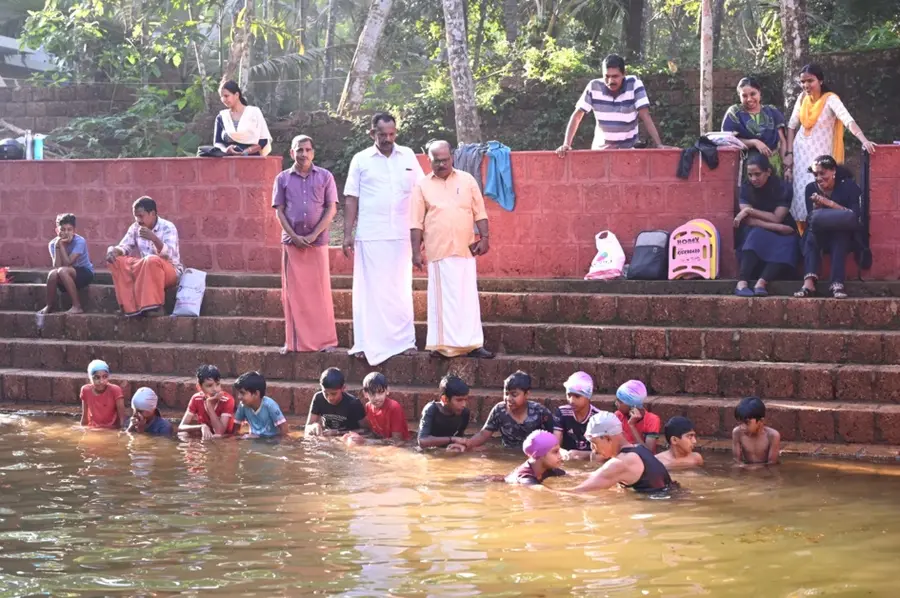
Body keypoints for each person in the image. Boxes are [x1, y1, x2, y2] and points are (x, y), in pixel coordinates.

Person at [343, 113, 424, 366]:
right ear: (372, 134)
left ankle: (404, 342)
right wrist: (348, 233)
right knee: (370, 291)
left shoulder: (409, 155)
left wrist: (422, 232)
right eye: (382, 135)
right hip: (371, 234)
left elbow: (422, 193)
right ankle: (366, 343)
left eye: (391, 134)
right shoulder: (360, 159)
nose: (388, 139)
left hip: (402, 234)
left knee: (400, 289)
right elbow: (351, 198)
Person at [410, 140, 493, 359]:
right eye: (436, 160)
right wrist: (416, 252)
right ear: (429, 160)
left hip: (466, 250)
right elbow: (416, 222)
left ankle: (474, 344)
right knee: (441, 301)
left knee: (468, 299)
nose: (441, 164)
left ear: (452, 157)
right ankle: (440, 346)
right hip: (438, 252)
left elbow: (480, 212)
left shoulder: (467, 180)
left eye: (445, 159)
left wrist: (485, 238)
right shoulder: (422, 185)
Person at [786, 64, 876, 232]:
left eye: (810, 81)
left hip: (820, 158)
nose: (806, 85)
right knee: (800, 195)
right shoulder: (801, 99)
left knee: (820, 191)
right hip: (800, 156)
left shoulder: (830, 99)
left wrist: (863, 140)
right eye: (803, 82)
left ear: (820, 80)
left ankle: (823, 236)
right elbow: (791, 126)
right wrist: (789, 153)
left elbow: (848, 120)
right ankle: (804, 238)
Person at [273, 135, 339, 353]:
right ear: (292, 153)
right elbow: (279, 211)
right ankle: (293, 343)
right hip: (292, 245)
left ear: (313, 152)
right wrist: (293, 235)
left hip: (317, 243)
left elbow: (331, 209)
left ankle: (325, 342)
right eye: (299, 150)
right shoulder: (282, 179)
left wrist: (313, 235)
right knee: (293, 297)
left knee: (320, 294)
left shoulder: (325, 177)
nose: (304, 154)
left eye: (307, 149)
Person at [556, 54, 666, 155]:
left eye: (615, 76)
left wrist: (659, 144)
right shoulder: (594, 86)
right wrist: (566, 144)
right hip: (601, 152)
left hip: (629, 152)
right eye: (607, 76)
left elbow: (645, 115)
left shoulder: (634, 84)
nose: (610, 81)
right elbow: (577, 116)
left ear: (624, 74)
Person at [793, 155, 863, 299]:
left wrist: (829, 203)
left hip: (844, 233)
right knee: (812, 233)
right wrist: (816, 206)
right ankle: (809, 282)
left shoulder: (848, 186)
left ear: (833, 171)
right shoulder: (811, 188)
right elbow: (812, 218)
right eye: (815, 174)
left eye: (822, 173)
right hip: (820, 232)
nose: (818, 178)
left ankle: (837, 283)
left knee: (840, 235)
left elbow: (854, 215)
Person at [733, 153, 800, 297]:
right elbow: (748, 220)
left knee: (789, 241)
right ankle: (742, 282)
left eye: (757, 174)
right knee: (756, 235)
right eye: (750, 175)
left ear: (768, 172)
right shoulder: (745, 188)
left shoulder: (783, 187)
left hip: (782, 230)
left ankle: (762, 282)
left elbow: (777, 217)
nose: (753, 179)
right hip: (765, 229)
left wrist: (750, 211)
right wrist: (778, 228)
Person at [106, 196, 182, 317]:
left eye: (141, 216)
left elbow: (169, 255)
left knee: (151, 260)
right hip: (145, 270)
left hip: (169, 271)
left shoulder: (168, 227)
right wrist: (113, 251)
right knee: (117, 261)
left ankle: (156, 307)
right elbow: (125, 246)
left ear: (152, 213)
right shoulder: (136, 227)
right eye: (136, 216)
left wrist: (154, 239)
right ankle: (128, 307)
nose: (138, 220)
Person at [573, 411, 673, 493]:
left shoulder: (621, 462)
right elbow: (599, 476)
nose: (593, 449)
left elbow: (579, 490)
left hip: (658, 507)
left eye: (594, 443)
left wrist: (558, 494)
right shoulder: (638, 449)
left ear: (607, 438)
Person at [465, 371, 554, 450]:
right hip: (508, 453)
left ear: (527, 394)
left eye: (514, 394)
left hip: (534, 456)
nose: (508, 398)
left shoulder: (540, 411)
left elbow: (554, 436)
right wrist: (467, 444)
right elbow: (483, 434)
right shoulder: (499, 410)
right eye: (506, 394)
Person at [722, 77, 788, 176]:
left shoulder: (772, 111)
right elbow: (728, 140)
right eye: (744, 96)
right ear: (739, 96)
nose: (749, 99)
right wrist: (754, 142)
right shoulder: (735, 113)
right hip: (748, 168)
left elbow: (782, 141)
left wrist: (786, 167)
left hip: (773, 165)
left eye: (753, 94)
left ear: (759, 93)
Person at [39, 213, 94, 316]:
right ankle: (49, 305)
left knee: (63, 271)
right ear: (57, 231)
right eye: (63, 229)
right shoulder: (53, 244)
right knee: (52, 274)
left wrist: (61, 245)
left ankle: (77, 306)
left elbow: (68, 263)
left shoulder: (80, 241)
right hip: (65, 275)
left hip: (84, 273)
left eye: (69, 230)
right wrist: (57, 246)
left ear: (74, 231)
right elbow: (57, 266)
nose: (66, 232)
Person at [213, 80, 272, 156]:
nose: (224, 100)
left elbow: (263, 140)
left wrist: (246, 151)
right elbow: (217, 142)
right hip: (228, 160)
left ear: (237, 95)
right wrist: (226, 150)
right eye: (221, 97)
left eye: (226, 96)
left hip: (251, 159)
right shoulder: (221, 117)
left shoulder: (254, 112)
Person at [553, 371, 601, 461]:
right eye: (569, 395)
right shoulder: (562, 413)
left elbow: (602, 454)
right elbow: (555, 445)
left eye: (577, 396)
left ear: (588, 396)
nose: (571, 401)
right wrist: (563, 452)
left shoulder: (598, 417)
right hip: (566, 458)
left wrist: (580, 454)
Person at [179, 365, 236, 439]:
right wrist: (201, 426)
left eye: (217, 384)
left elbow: (219, 432)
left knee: (217, 437)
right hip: (207, 436)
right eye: (209, 386)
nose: (215, 389)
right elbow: (181, 427)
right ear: (199, 387)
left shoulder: (227, 400)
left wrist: (209, 404)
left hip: (225, 438)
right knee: (182, 434)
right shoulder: (196, 398)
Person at [305, 368, 367, 436]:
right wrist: (314, 426)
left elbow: (366, 430)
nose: (329, 398)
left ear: (343, 388)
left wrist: (338, 432)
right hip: (327, 436)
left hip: (347, 438)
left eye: (333, 394)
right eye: (325, 393)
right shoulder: (318, 398)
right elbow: (308, 426)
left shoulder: (353, 403)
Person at [417, 374, 472, 450]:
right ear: (444, 399)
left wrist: (459, 446)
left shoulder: (464, 413)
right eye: (459, 400)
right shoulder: (431, 409)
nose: (464, 404)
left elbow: (459, 437)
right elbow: (422, 441)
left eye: (465, 400)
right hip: (427, 451)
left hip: (447, 449)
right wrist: (452, 439)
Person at [233, 371, 289, 438]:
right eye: (238, 393)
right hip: (254, 439)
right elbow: (235, 429)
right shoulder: (243, 405)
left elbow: (284, 429)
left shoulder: (270, 405)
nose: (239, 397)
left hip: (271, 440)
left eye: (242, 393)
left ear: (256, 394)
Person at [613, 380, 660, 452]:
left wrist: (632, 426)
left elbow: (648, 453)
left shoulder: (652, 420)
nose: (616, 403)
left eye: (620, 401)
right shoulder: (618, 416)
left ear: (632, 406)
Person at [361, 372, 409, 442]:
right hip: (383, 441)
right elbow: (373, 434)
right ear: (365, 394)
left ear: (387, 391)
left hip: (404, 446)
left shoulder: (394, 407)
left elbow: (397, 441)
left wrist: (366, 441)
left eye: (380, 393)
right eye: (372, 394)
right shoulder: (368, 406)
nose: (377, 398)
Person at [732, 396, 780, 466]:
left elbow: (772, 464)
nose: (742, 427)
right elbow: (736, 460)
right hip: (746, 470)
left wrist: (753, 468)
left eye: (747, 423)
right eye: (740, 422)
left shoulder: (772, 436)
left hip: (765, 472)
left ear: (761, 421)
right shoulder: (737, 433)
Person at [79, 360, 126, 430]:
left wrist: (121, 433)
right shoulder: (85, 390)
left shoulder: (115, 390)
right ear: (90, 378)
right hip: (93, 429)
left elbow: (122, 420)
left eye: (105, 377)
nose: (101, 381)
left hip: (111, 430)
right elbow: (84, 417)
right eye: (97, 377)